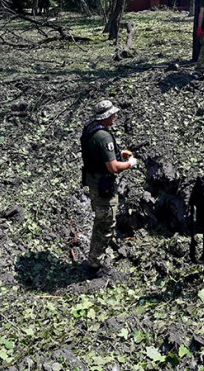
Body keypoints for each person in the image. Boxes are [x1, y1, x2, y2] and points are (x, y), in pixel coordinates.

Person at [80, 99, 139, 278]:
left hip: (93, 183)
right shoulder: (104, 136)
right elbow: (113, 167)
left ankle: (95, 258)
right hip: (103, 188)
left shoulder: (90, 129)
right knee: (105, 225)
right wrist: (129, 163)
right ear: (105, 116)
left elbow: (97, 156)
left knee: (101, 221)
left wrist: (118, 155)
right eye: (112, 114)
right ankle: (94, 266)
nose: (116, 116)